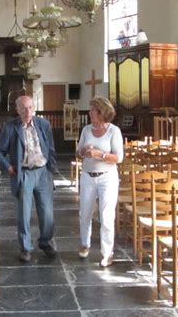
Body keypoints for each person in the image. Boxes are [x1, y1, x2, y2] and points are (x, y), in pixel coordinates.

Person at [0, 95, 57, 262]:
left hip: (43, 172)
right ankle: (25, 247)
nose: (28, 111)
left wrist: (51, 168)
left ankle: (45, 242)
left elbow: (50, 148)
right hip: (24, 174)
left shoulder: (43, 124)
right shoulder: (10, 127)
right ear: (18, 110)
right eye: (24, 108)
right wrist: (8, 167)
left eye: (30, 107)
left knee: (47, 213)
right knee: (23, 213)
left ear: (34, 108)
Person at [76, 96, 124, 267]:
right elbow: (79, 152)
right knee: (85, 212)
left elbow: (118, 158)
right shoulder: (87, 130)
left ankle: (107, 253)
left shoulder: (114, 131)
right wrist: (85, 150)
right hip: (88, 175)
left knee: (106, 215)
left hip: (107, 177)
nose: (89, 113)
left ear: (101, 112)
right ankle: (84, 244)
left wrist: (100, 155)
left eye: (92, 110)